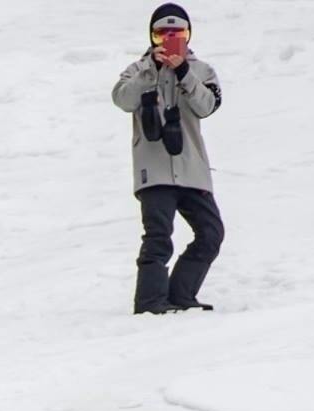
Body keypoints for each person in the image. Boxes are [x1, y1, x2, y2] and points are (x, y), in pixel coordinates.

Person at [111, 4, 225, 314]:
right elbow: (122, 99)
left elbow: (207, 106)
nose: (170, 39)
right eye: (162, 33)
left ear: (189, 35)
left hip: (192, 169)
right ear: (151, 36)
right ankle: (150, 303)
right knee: (158, 236)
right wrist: (153, 71)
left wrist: (183, 73)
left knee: (211, 233)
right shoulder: (138, 69)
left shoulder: (202, 71)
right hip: (155, 169)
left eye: (178, 33)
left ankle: (180, 295)